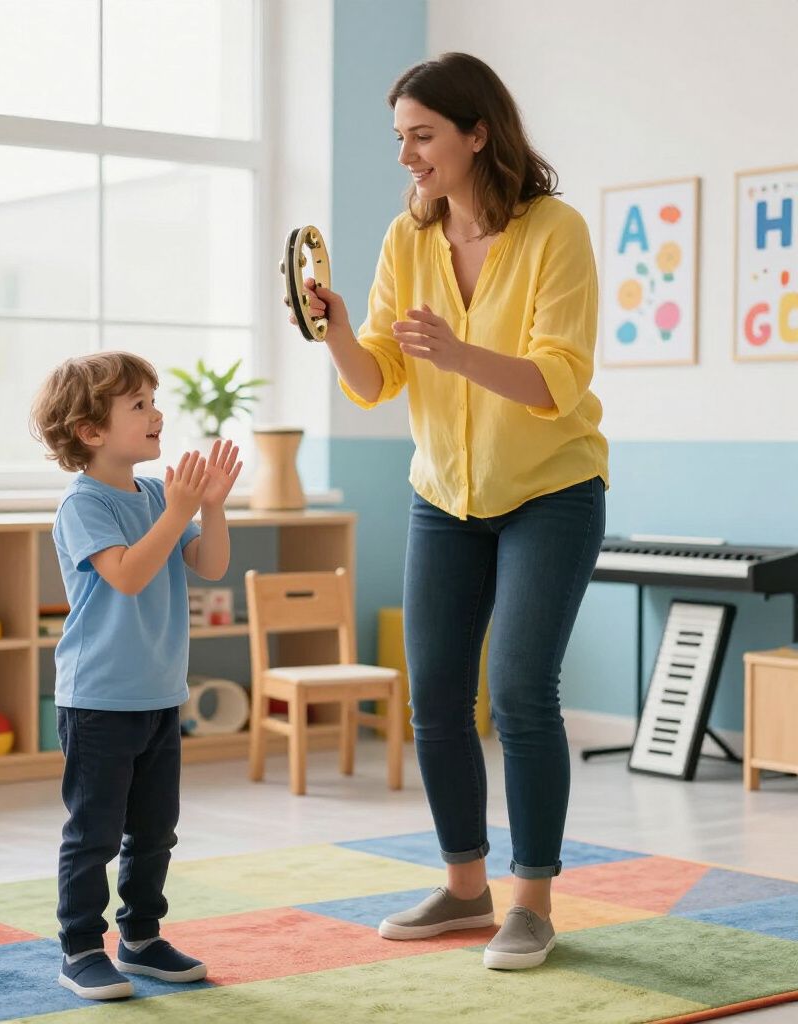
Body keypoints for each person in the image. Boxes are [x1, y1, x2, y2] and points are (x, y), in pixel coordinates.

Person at [291, 52, 608, 970]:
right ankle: (466, 889)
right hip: (443, 496)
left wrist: (459, 351)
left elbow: (558, 379)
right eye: (400, 138)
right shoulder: (408, 239)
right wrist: (340, 331)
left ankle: (533, 902)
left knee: (518, 690)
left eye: (422, 136)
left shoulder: (557, 232)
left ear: (478, 132)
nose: (408, 157)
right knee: (433, 696)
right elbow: (379, 380)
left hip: (551, 490)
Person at [30, 351, 242, 998]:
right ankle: (78, 949)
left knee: (155, 829)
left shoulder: (155, 494)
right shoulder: (82, 505)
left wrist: (210, 507)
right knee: (93, 832)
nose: (158, 414)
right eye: (141, 405)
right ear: (92, 431)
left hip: (158, 695)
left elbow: (209, 565)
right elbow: (126, 575)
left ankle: (142, 938)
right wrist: (178, 513)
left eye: (154, 401)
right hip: (98, 699)